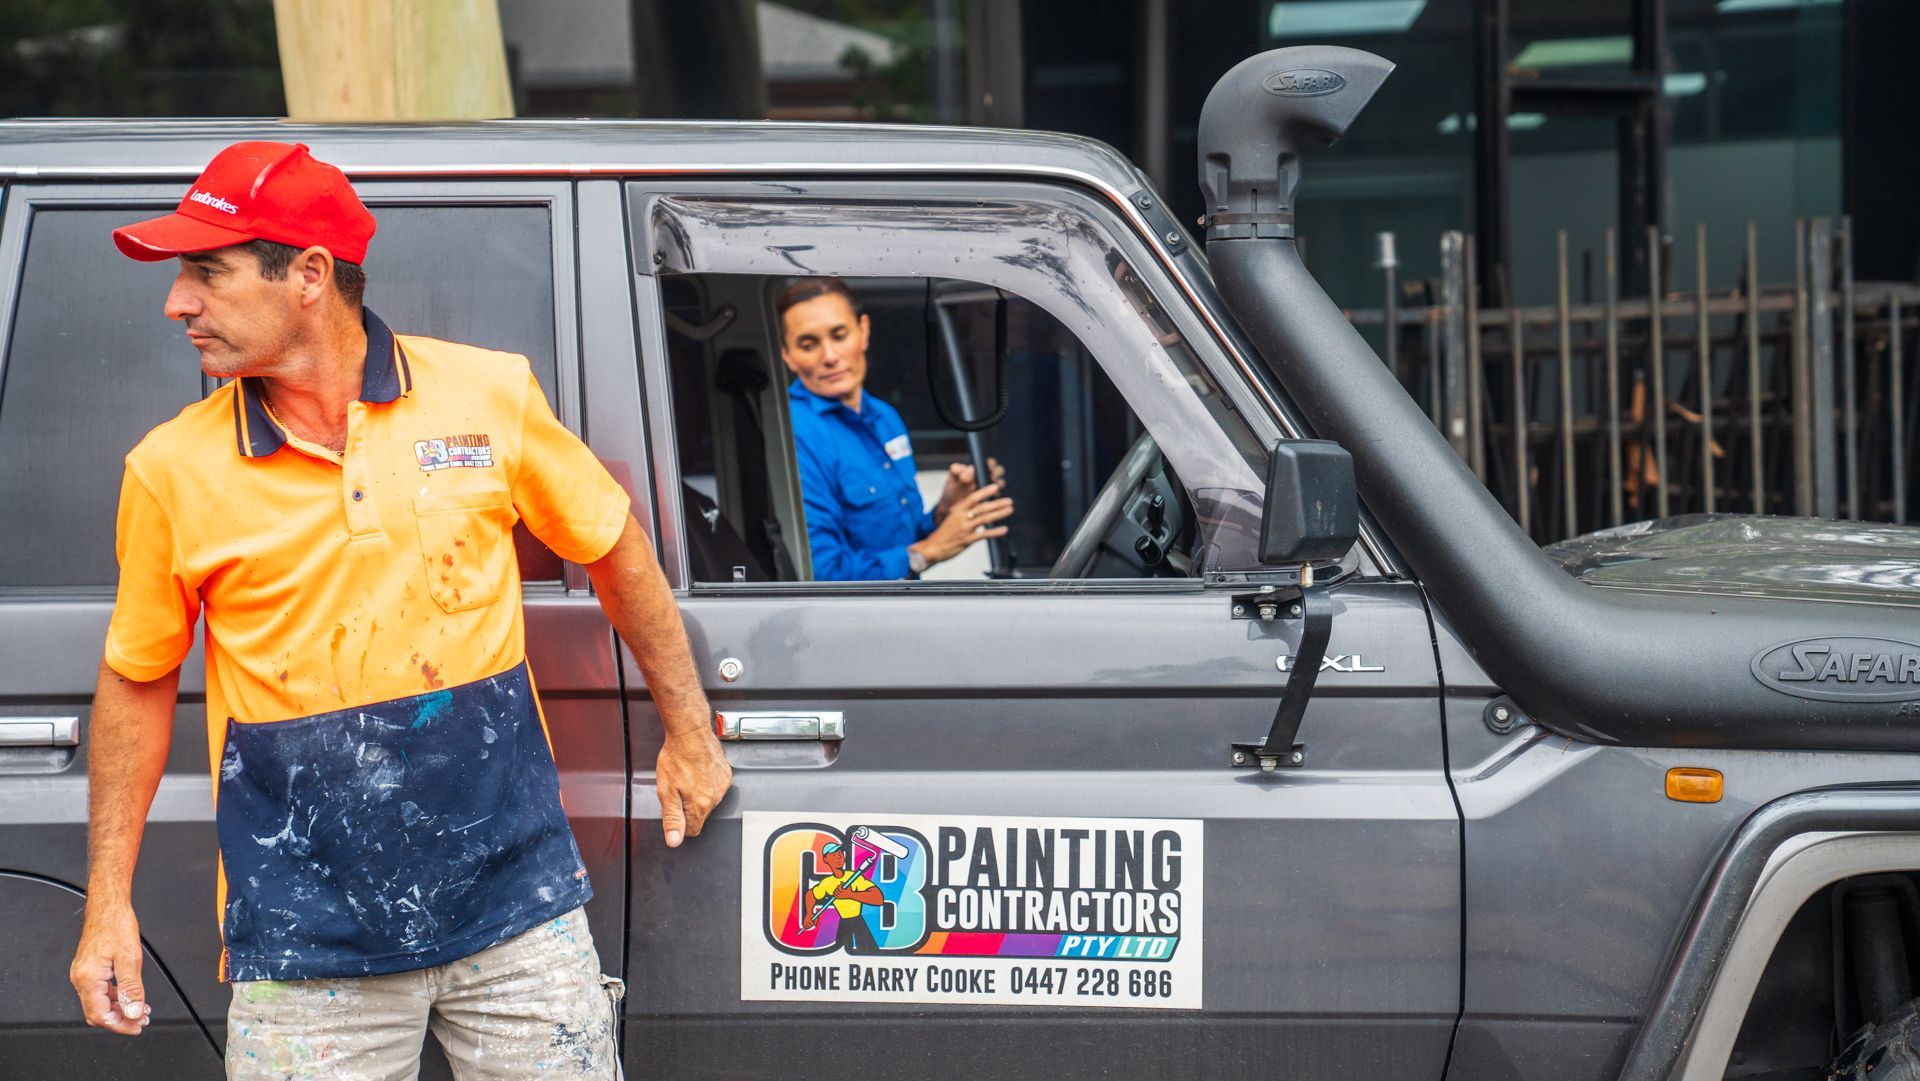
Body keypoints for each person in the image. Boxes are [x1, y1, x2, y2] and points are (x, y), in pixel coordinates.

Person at [68, 140, 732, 1078]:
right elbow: (138, 678)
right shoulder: (169, 470)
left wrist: (690, 731)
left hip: (516, 917)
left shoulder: (486, 393)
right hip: (305, 948)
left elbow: (613, 540)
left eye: (207, 273)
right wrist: (107, 901)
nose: (178, 302)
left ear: (309, 274)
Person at [777, 277, 1013, 581]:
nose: (830, 357)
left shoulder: (885, 417)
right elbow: (821, 574)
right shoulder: (795, 434)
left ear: (863, 331)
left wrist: (943, 511)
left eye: (839, 335)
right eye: (808, 345)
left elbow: (901, 541)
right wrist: (926, 553)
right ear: (787, 355)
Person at [804, 843, 884, 954]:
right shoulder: (827, 883)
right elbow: (810, 894)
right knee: (838, 953)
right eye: (833, 855)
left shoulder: (854, 877)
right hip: (844, 924)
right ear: (825, 859)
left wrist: (850, 894)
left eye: (840, 853)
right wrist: (809, 914)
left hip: (858, 922)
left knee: (870, 953)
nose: (839, 856)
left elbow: (878, 898)